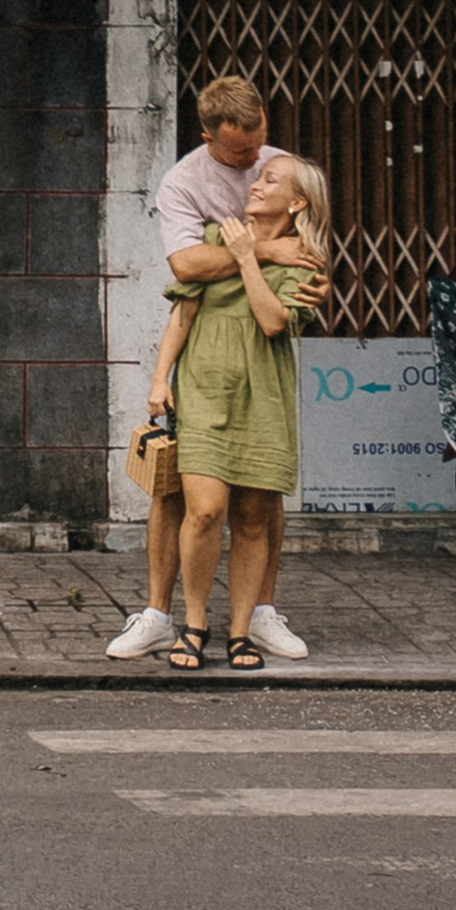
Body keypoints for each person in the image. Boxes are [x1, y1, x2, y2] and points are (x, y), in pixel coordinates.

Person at [105, 73, 315, 663]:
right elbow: (187, 264)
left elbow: (307, 249)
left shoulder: (281, 166)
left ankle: (255, 615)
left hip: (259, 361)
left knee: (258, 500)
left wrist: (280, 261)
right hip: (206, 360)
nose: (255, 163)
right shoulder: (185, 182)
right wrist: (260, 251)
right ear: (207, 137)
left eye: (261, 146)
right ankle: (160, 614)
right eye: (241, 154)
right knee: (187, 498)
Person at [148, 155, 332, 673]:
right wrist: (161, 378)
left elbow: (274, 322)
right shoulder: (215, 234)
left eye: (271, 180)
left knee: (252, 520)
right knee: (205, 510)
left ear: (296, 203)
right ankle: (195, 623)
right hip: (205, 386)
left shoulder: (305, 258)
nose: (257, 182)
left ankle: (240, 630)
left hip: (264, 394)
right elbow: (183, 313)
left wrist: (251, 259)